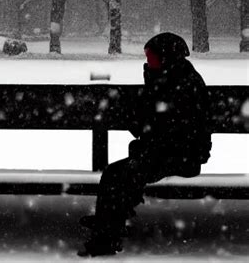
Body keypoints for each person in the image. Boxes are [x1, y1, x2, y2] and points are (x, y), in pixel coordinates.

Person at [78, 32, 212, 257]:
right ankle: (109, 220)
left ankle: (106, 235)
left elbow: (173, 127)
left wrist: (141, 125)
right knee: (121, 172)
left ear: (166, 58)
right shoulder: (168, 78)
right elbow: (153, 121)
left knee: (120, 174)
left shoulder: (182, 83)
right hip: (167, 151)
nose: (147, 62)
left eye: (151, 57)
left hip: (183, 155)